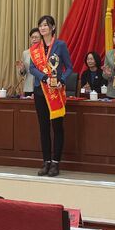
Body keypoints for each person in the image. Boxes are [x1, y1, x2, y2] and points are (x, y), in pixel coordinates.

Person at [28, 15, 71, 176]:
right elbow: (32, 68)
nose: (43, 28)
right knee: (43, 127)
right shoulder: (35, 48)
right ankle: (46, 161)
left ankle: (56, 162)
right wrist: (44, 77)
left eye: (46, 25)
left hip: (55, 92)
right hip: (40, 90)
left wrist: (62, 80)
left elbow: (69, 67)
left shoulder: (60, 45)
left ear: (53, 27)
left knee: (57, 127)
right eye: (41, 25)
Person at [16, 28, 41, 97]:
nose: (34, 39)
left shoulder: (45, 52)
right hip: (29, 87)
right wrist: (22, 69)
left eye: (36, 37)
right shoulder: (25, 53)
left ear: (41, 39)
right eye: (32, 37)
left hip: (42, 86)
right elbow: (23, 73)